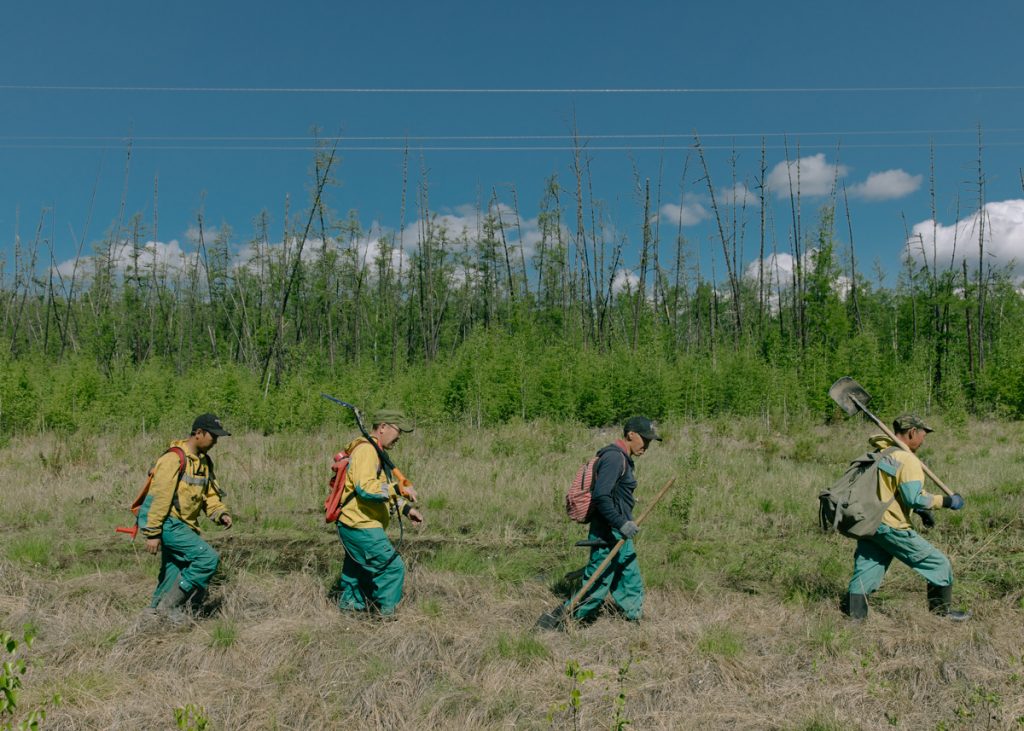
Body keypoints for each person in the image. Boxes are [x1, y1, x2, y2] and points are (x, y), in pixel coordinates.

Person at [843, 413, 969, 620]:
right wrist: (947, 502)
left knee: (867, 568)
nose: (923, 440)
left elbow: (889, 490)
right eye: (923, 435)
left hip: (869, 523)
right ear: (912, 432)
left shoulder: (883, 453)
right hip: (891, 526)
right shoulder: (907, 459)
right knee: (939, 564)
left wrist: (920, 512)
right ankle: (941, 613)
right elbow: (914, 498)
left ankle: (855, 618)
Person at [563, 415, 661, 624]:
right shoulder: (614, 458)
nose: (648, 445)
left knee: (629, 575)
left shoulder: (624, 459)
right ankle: (570, 618)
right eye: (645, 439)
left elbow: (614, 493)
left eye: (651, 440)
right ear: (631, 434)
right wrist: (621, 523)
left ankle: (634, 618)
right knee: (598, 580)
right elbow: (601, 496)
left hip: (620, 530)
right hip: (608, 530)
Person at [140, 413, 233, 623]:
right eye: (213, 436)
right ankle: (172, 607)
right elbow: (159, 497)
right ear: (198, 433)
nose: (216, 442)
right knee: (207, 559)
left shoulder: (204, 462)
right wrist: (152, 532)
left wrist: (220, 513)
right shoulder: (173, 458)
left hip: (185, 526)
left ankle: (151, 615)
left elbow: (210, 494)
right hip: (169, 524)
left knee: (173, 569)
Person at [335, 409, 424, 617]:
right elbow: (365, 488)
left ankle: (350, 616)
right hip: (361, 525)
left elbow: (381, 490)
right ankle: (387, 619)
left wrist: (406, 509)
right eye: (398, 430)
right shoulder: (366, 451)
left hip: (353, 523)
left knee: (356, 573)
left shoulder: (376, 452)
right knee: (393, 569)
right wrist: (397, 488)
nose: (399, 436)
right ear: (382, 427)